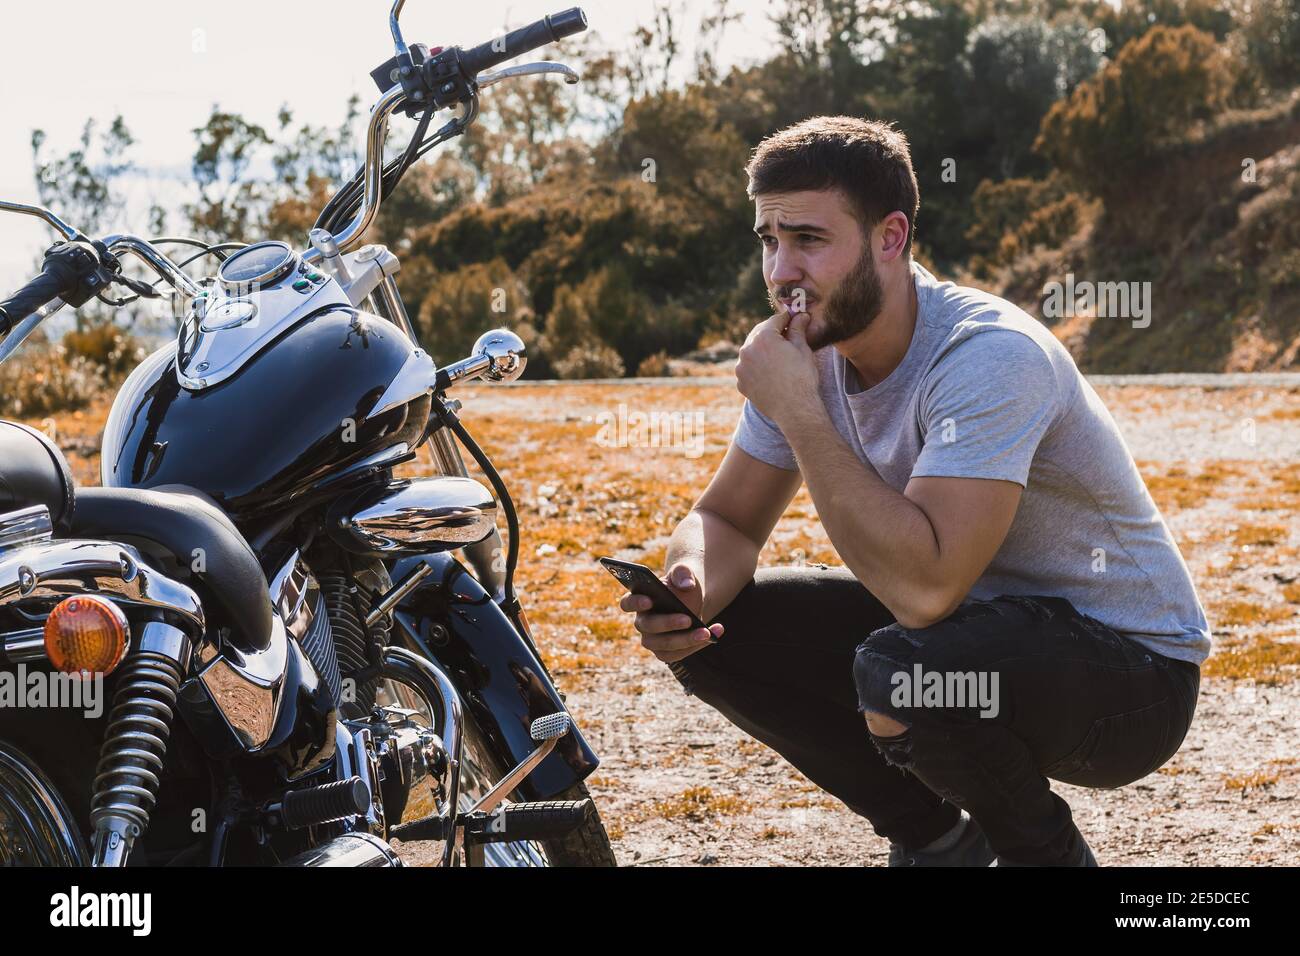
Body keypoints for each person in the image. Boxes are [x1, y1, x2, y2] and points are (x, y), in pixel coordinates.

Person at [617, 115, 1209, 867]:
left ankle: (1041, 856)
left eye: (808, 240)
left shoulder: (988, 355)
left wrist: (800, 410)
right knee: (715, 639)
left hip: (1130, 678)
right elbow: (726, 520)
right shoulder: (811, 351)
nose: (779, 273)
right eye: (769, 240)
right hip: (977, 630)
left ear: (890, 237)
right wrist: (689, 586)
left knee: (905, 672)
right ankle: (938, 842)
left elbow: (925, 591)